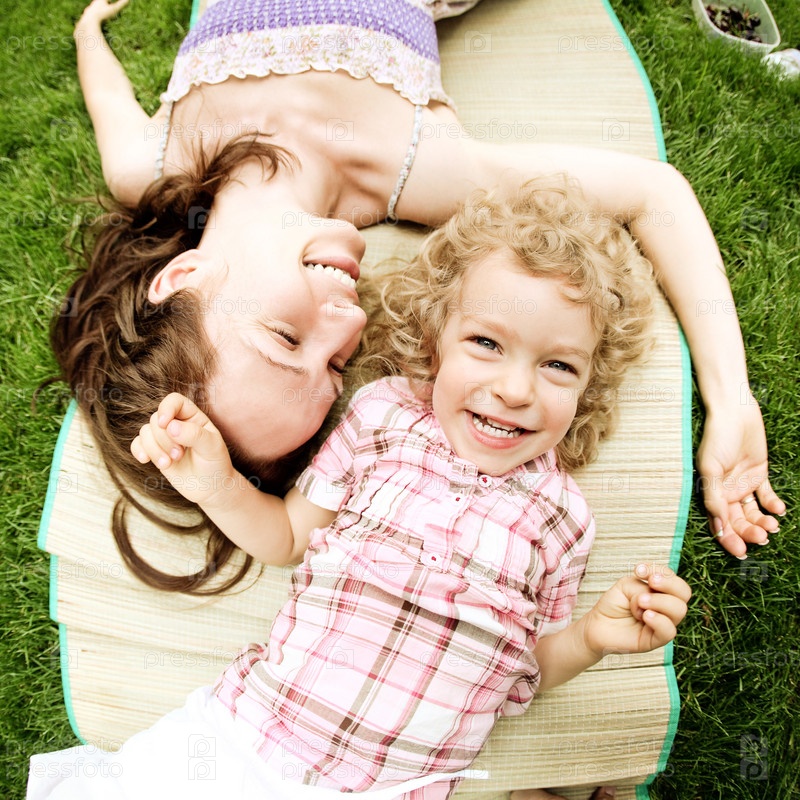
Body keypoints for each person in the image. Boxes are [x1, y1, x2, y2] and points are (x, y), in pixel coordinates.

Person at [57, 0, 783, 594]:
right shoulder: (417, 169)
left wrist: (89, 31)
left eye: (284, 337)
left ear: (181, 278)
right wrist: (732, 401)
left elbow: (108, 97)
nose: (346, 322)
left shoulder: (147, 166)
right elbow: (654, 195)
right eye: (336, 366)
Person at [31, 182, 690, 800]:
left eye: (558, 365)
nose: (516, 389)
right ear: (435, 342)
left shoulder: (563, 519)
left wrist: (593, 638)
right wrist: (216, 483)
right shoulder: (383, 417)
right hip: (248, 744)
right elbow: (288, 536)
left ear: (589, 384)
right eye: (486, 343)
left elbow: (522, 673)